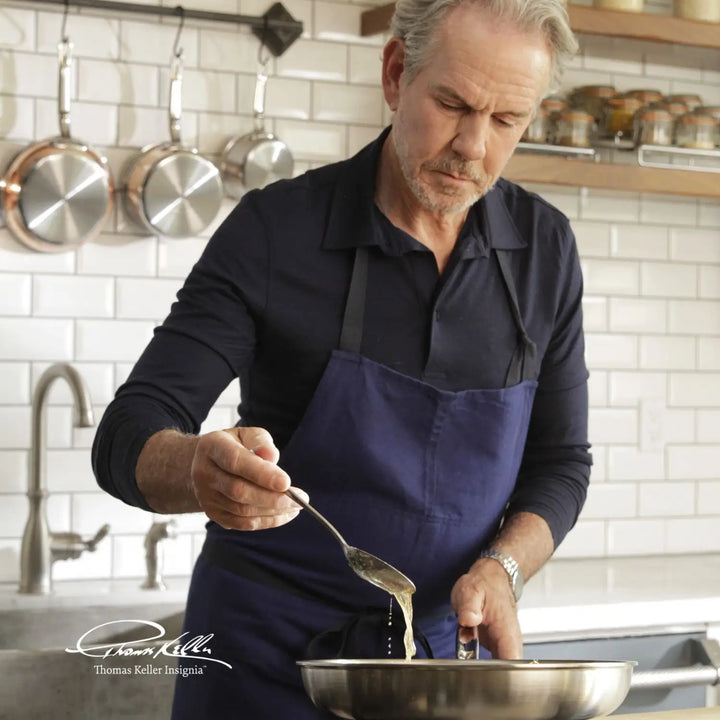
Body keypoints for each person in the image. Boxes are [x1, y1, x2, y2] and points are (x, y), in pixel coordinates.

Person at [92, 0, 589, 717]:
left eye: (507, 120)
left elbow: (561, 462)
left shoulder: (546, 251)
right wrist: (200, 470)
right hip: (261, 659)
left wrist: (505, 568)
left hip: (438, 670)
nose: (473, 147)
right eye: (451, 104)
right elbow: (127, 434)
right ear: (395, 75)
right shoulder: (275, 231)